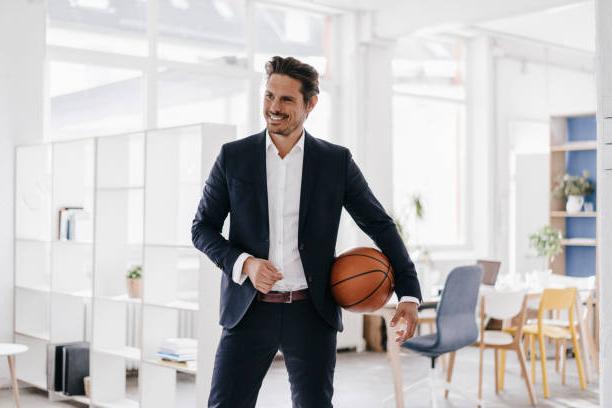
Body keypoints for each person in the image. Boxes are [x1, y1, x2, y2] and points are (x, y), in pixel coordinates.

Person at [192, 56, 422, 408]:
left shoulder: (335, 162)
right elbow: (202, 228)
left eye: (286, 100)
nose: (274, 107)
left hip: (311, 312)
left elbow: (378, 223)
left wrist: (408, 293)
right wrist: (245, 263)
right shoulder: (233, 157)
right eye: (269, 96)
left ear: (310, 103)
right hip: (249, 311)